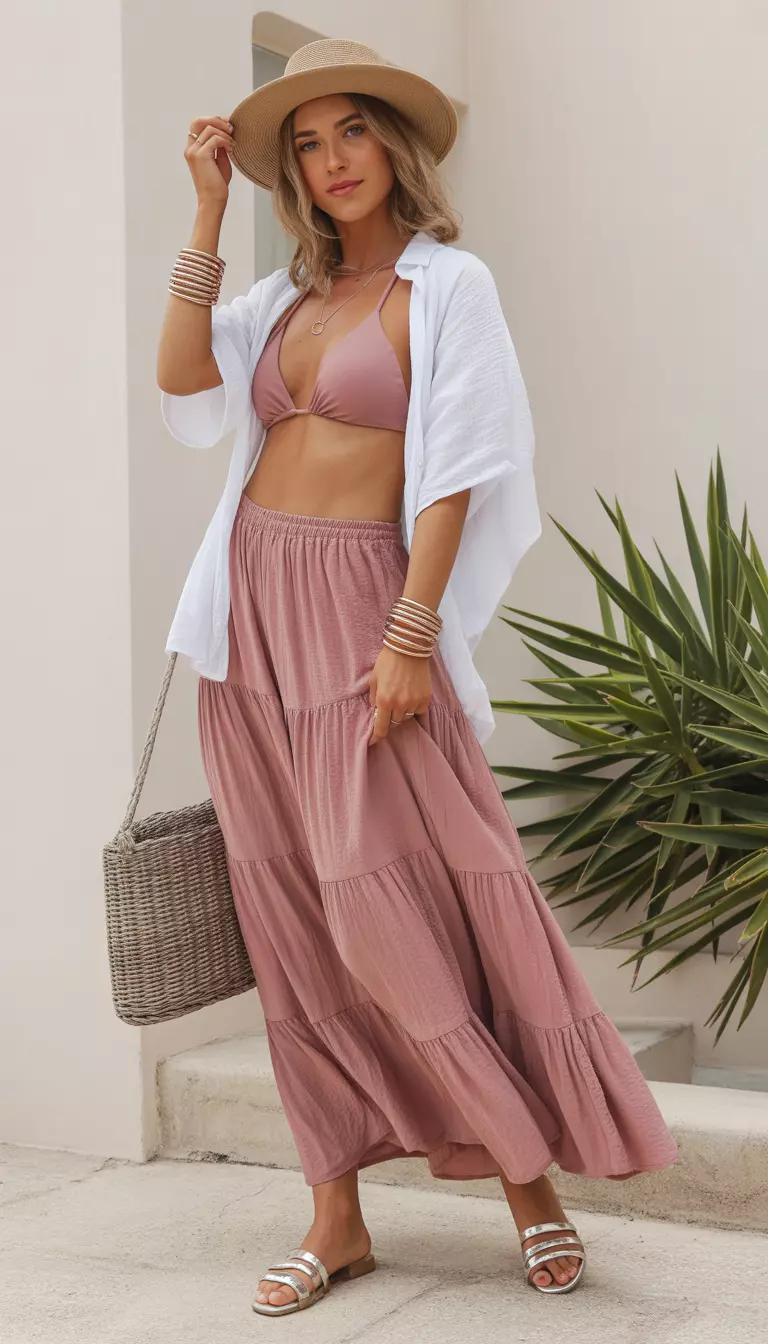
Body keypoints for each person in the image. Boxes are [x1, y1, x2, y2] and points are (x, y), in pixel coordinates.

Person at [156, 37, 678, 1318]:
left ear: (395, 145)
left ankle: (527, 1186)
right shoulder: (282, 299)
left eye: (352, 133)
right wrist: (209, 212)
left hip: (358, 612)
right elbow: (181, 376)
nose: (332, 161)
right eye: (310, 144)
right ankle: (337, 1216)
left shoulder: (450, 286)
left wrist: (406, 636)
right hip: (249, 623)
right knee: (293, 922)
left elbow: (458, 465)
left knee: (401, 905)